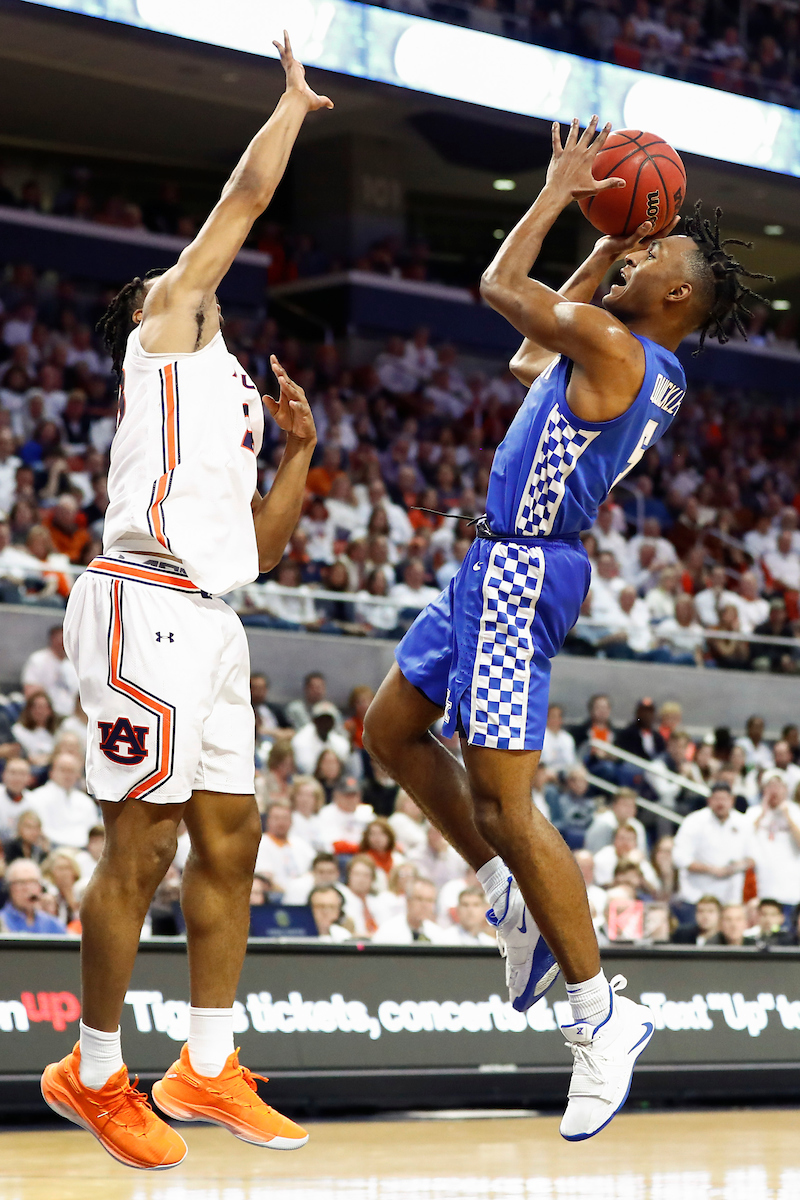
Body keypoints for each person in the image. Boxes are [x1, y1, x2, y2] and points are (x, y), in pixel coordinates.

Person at [363, 115, 770, 1140]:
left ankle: (599, 1017)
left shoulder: (613, 344)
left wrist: (558, 193)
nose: (635, 255)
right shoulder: (647, 365)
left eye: (651, 253)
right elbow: (516, 361)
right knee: (387, 733)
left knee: (505, 803)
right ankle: (508, 900)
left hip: (519, 572)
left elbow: (503, 293)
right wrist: (604, 239)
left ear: (674, 295)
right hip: (494, 563)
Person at [41, 37, 331, 1169]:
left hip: (209, 614)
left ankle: (205, 1065)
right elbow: (245, 195)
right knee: (143, 840)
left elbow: (252, 550)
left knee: (233, 836)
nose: (200, 273)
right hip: (137, 602)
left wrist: (301, 455)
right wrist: (294, 108)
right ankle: (94, 1070)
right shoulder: (165, 329)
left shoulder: (237, 394)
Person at [672, 783, 752, 906]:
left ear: (732, 800)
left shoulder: (744, 822)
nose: (720, 803)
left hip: (731, 897)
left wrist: (733, 868)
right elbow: (679, 857)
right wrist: (711, 869)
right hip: (697, 895)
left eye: (724, 799)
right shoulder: (694, 821)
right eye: (716, 799)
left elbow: (753, 857)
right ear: (709, 800)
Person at [745, 771, 800, 910]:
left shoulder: (796, 812)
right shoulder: (753, 812)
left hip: (791, 890)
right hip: (761, 889)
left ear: (786, 789)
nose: (774, 790)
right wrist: (762, 814)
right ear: (763, 790)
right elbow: (742, 842)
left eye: (778, 786)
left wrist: (787, 816)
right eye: (770, 786)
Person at [29, 752, 99, 850]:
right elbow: (42, 831)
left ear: (78, 774)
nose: (67, 775)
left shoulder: (86, 801)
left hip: (84, 850)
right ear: (51, 772)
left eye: (71, 771)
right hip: (52, 848)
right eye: (63, 770)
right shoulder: (37, 797)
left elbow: (93, 832)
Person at [253, 801, 314, 895]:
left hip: (304, 895)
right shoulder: (261, 844)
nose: (281, 822)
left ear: (291, 821)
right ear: (268, 820)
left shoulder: (300, 843)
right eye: (276, 818)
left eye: (285, 818)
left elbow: (315, 867)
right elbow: (266, 880)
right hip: (277, 897)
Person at [21, 625, 79, 718]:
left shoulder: (72, 666)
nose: (63, 642)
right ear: (52, 638)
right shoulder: (38, 659)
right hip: (47, 715)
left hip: (70, 716)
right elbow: (29, 690)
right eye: (60, 638)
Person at [372, 877, 449, 944]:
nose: (424, 905)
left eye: (429, 900)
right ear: (408, 901)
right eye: (419, 899)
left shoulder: (437, 934)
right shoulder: (388, 931)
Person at [1, 857, 67, 934]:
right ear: (10, 888)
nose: (28, 888)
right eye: (21, 883)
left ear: (40, 887)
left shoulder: (53, 925)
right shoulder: (2, 921)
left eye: (33, 882)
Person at [315, 776, 374, 855]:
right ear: (336, 795)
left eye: (354, 795)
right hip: (339, 855)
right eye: (347, 795)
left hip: (363, 854)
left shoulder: (366, 811)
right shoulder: (326, 813)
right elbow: (333, 844)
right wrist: (360, 848)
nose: (351, 799)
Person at [291, 701, 350, 775]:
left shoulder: (341, 742)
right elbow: (307, 770)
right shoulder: (300, 740)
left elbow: (341, 770)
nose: (325, 723)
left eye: (328, 720)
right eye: (321, 719)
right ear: (314, 721)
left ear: (333, 722)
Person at [583, 788, 647, 855]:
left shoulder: (638, 826)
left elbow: (641, 853)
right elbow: (595, 853)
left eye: (632, 805)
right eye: (625, 805)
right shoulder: (603, 823)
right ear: (614, 805)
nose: (629, 809)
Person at [11, 690, 59, 767]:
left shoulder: (57, 732)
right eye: (36, 707)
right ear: (29, 710)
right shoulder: (18, 730)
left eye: (44, 707)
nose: (40, 711)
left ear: (50, 710)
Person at [0, 757, 32, 840]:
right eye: (13, 773)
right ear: (4, 775)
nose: (17, 778)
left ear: (29, 778)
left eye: (22, 773)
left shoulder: (34, 801)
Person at [540, 704, 577, 772]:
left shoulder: (567, 738)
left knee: (579, 775)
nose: (555, 720)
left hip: (565, 772)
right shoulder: (540, 737)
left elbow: (570, 761)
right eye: (553, 716)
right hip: (545, 770)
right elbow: (542, 761)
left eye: (558, 717)